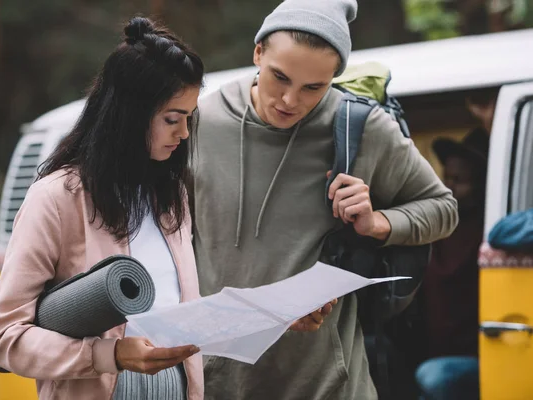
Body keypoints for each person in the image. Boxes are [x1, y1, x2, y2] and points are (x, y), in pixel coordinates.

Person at [190, 0, 459, 399]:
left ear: (334, 77)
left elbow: (443, 208)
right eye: (279, 78)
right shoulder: (199, 119)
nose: (289, 100)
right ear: (258, 52)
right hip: (215, 380)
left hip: (326, 383)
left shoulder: (362, 127)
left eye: (313, 87)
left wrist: (376, 223)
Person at [0, 17, 205, 400]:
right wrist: (109, 355)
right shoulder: (56, 198)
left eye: (189, 118)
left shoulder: (172, 196)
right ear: (130, 113)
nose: (183, 133)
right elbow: (3, 339)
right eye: (172, 119)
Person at [415, 128, 490, 400]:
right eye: (446, 177)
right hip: (433, 348)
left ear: (481, 183)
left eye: (460, 180)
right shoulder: (438, 225)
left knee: (433, 378)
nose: (449, 187)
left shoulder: (489, 230)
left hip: (479, 355)